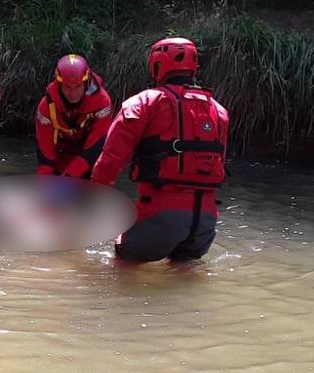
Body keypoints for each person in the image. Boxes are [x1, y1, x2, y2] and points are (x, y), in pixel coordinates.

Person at [90, 37, 229, 263]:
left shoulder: (143, 103)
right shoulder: (219, 111)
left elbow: (111, 161)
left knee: (123, 263)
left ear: (157, 64)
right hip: (205, 222)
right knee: (184, 273)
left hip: (160, 214)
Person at [34, 54, 114, 178]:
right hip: (61, 162)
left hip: (91, 164)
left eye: (78, 86)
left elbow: (96, 147)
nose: (73, 93)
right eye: (67, 87)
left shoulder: (102, 103)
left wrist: (69, 176)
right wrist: (44, 184)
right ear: (59, 84)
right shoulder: (46, 107)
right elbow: (45, 155)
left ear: (86, 83)